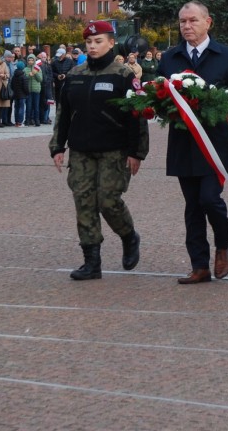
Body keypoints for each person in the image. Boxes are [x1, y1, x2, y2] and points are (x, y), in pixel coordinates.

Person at [159, 0, 228, 284]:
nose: (187, 26)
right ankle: (199, 265)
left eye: (193, 20)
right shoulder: (170, 58)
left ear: (208, 22)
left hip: (216, 145)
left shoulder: (226, 56)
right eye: (183, 21)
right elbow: (161, 98)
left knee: (210, 199)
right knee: (192, 206)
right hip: (184, 144)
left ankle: (223, 244)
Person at [50, 21, 148, 280]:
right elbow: (64, 114)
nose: (92, 47)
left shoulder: (124, 75)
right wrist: (57, 147)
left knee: (108, 201)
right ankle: (91, 262)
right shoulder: (75, 75)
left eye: (98, 42)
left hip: (114, 150)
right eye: (89, 43)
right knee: (83, 202)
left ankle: (129, 236)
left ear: (111, 43)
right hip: (81, 150)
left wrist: (137, 152)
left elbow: (137, 115)